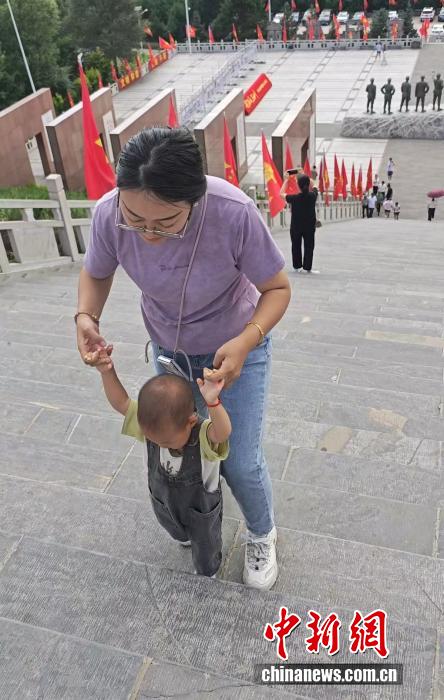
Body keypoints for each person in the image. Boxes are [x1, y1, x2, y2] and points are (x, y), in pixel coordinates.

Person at [76, 126, 292, 592]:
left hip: (235, 349)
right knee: (180, 446)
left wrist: (246, 341)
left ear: (194, 201)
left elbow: (277, 288)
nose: (149, 234)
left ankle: (261, 533)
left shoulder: (233, 212)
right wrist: (86, 316)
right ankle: (198, 513)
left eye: (166, 222)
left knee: (238, 459)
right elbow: (95, 272)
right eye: (136, 219)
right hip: (170, 352)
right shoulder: (109, 214)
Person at [86, 346, 231, 578]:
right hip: (165, 502)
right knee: (175, 530)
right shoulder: (152, 425)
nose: (158, 445)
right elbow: (122, 403)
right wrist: (107, 371)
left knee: (206, 549)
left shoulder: (203, 435)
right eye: (152, 440)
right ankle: (182, 535)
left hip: (202, 511)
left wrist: (213, 403)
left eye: (166, 441)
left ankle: (208, 571)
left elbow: (222, 432)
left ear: (190, 421)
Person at [282, 174, 318, 273]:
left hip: (296, 227)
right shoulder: (312, 196)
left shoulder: (294, 198)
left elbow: (281, 194)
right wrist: (309, 178)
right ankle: (307, 267)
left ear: (298, 185)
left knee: (296, 246)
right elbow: (315, 185)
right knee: (309, 246)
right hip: (309, 227)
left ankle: (297, 266)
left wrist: (286, 180)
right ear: (308, 184)